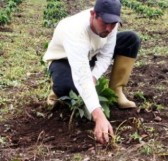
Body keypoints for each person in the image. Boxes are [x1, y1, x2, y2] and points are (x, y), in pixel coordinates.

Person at [43, 0, 141, 144]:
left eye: (113, 24)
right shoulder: (75, 30)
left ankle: (116, 91)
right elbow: (81, 75)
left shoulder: (110, 26)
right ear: (93, 14)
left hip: (91, 55)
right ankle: (56, 90)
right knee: (69, 89)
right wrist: (99, 116)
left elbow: (106, 55)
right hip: (63, 60)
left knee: (131, 39)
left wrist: (94, 76)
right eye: (104, 23)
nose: (108, 28)